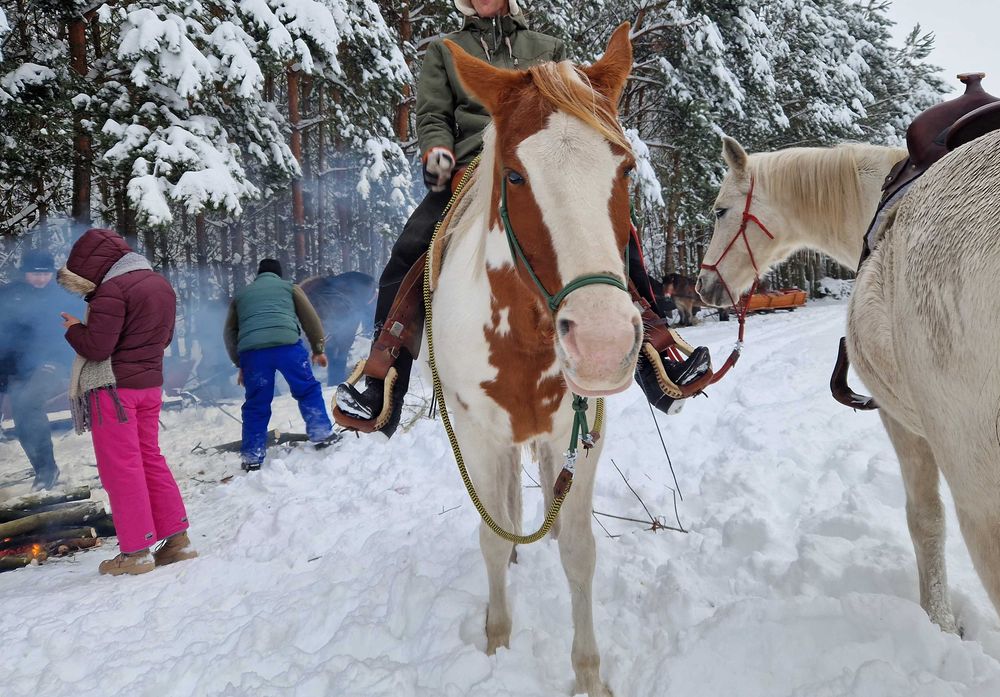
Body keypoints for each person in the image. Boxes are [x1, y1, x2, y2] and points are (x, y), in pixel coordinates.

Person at [336, 0, 710, 436]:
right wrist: (438, 150)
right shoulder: (447, 49)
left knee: (613, 233)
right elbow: (433, 114)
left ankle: (656, 356)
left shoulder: (547, 45)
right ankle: (382, 380)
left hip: (542, 163)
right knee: (413, 245)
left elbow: (572, 105)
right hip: (473, 166)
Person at [59, 228, 197, 576]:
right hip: (150, 387)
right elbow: (165, 338)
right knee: (149, 458)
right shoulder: (159, 284)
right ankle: (177, 540)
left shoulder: (111, 291)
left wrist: (75, 328)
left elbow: (97, 348)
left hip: (113, 391)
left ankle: (135, 552)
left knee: (122, 468)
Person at [223, 259, 336, 470]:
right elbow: (310, 318)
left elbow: (229, 332)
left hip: (254, 354)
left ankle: (252, 457)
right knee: (307, 389)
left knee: (256, 403)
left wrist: (240, 363)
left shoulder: (242, 295)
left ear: (259, 275)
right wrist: (318, 349)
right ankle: (321, 433)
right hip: (287, 348)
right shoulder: (289, 287)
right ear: (278, 274)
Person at [0, 250, 78, 490]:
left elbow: (76, 330)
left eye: (45, 274)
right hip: (15, 367)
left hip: (51, 364)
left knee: (27, 403)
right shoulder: (10, 295)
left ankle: (46, 470)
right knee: (22, 418)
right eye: (35, 274)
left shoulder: (62, 297)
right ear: (25, 273)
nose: (40, 279)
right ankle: (43, 469)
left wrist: (59, 359)